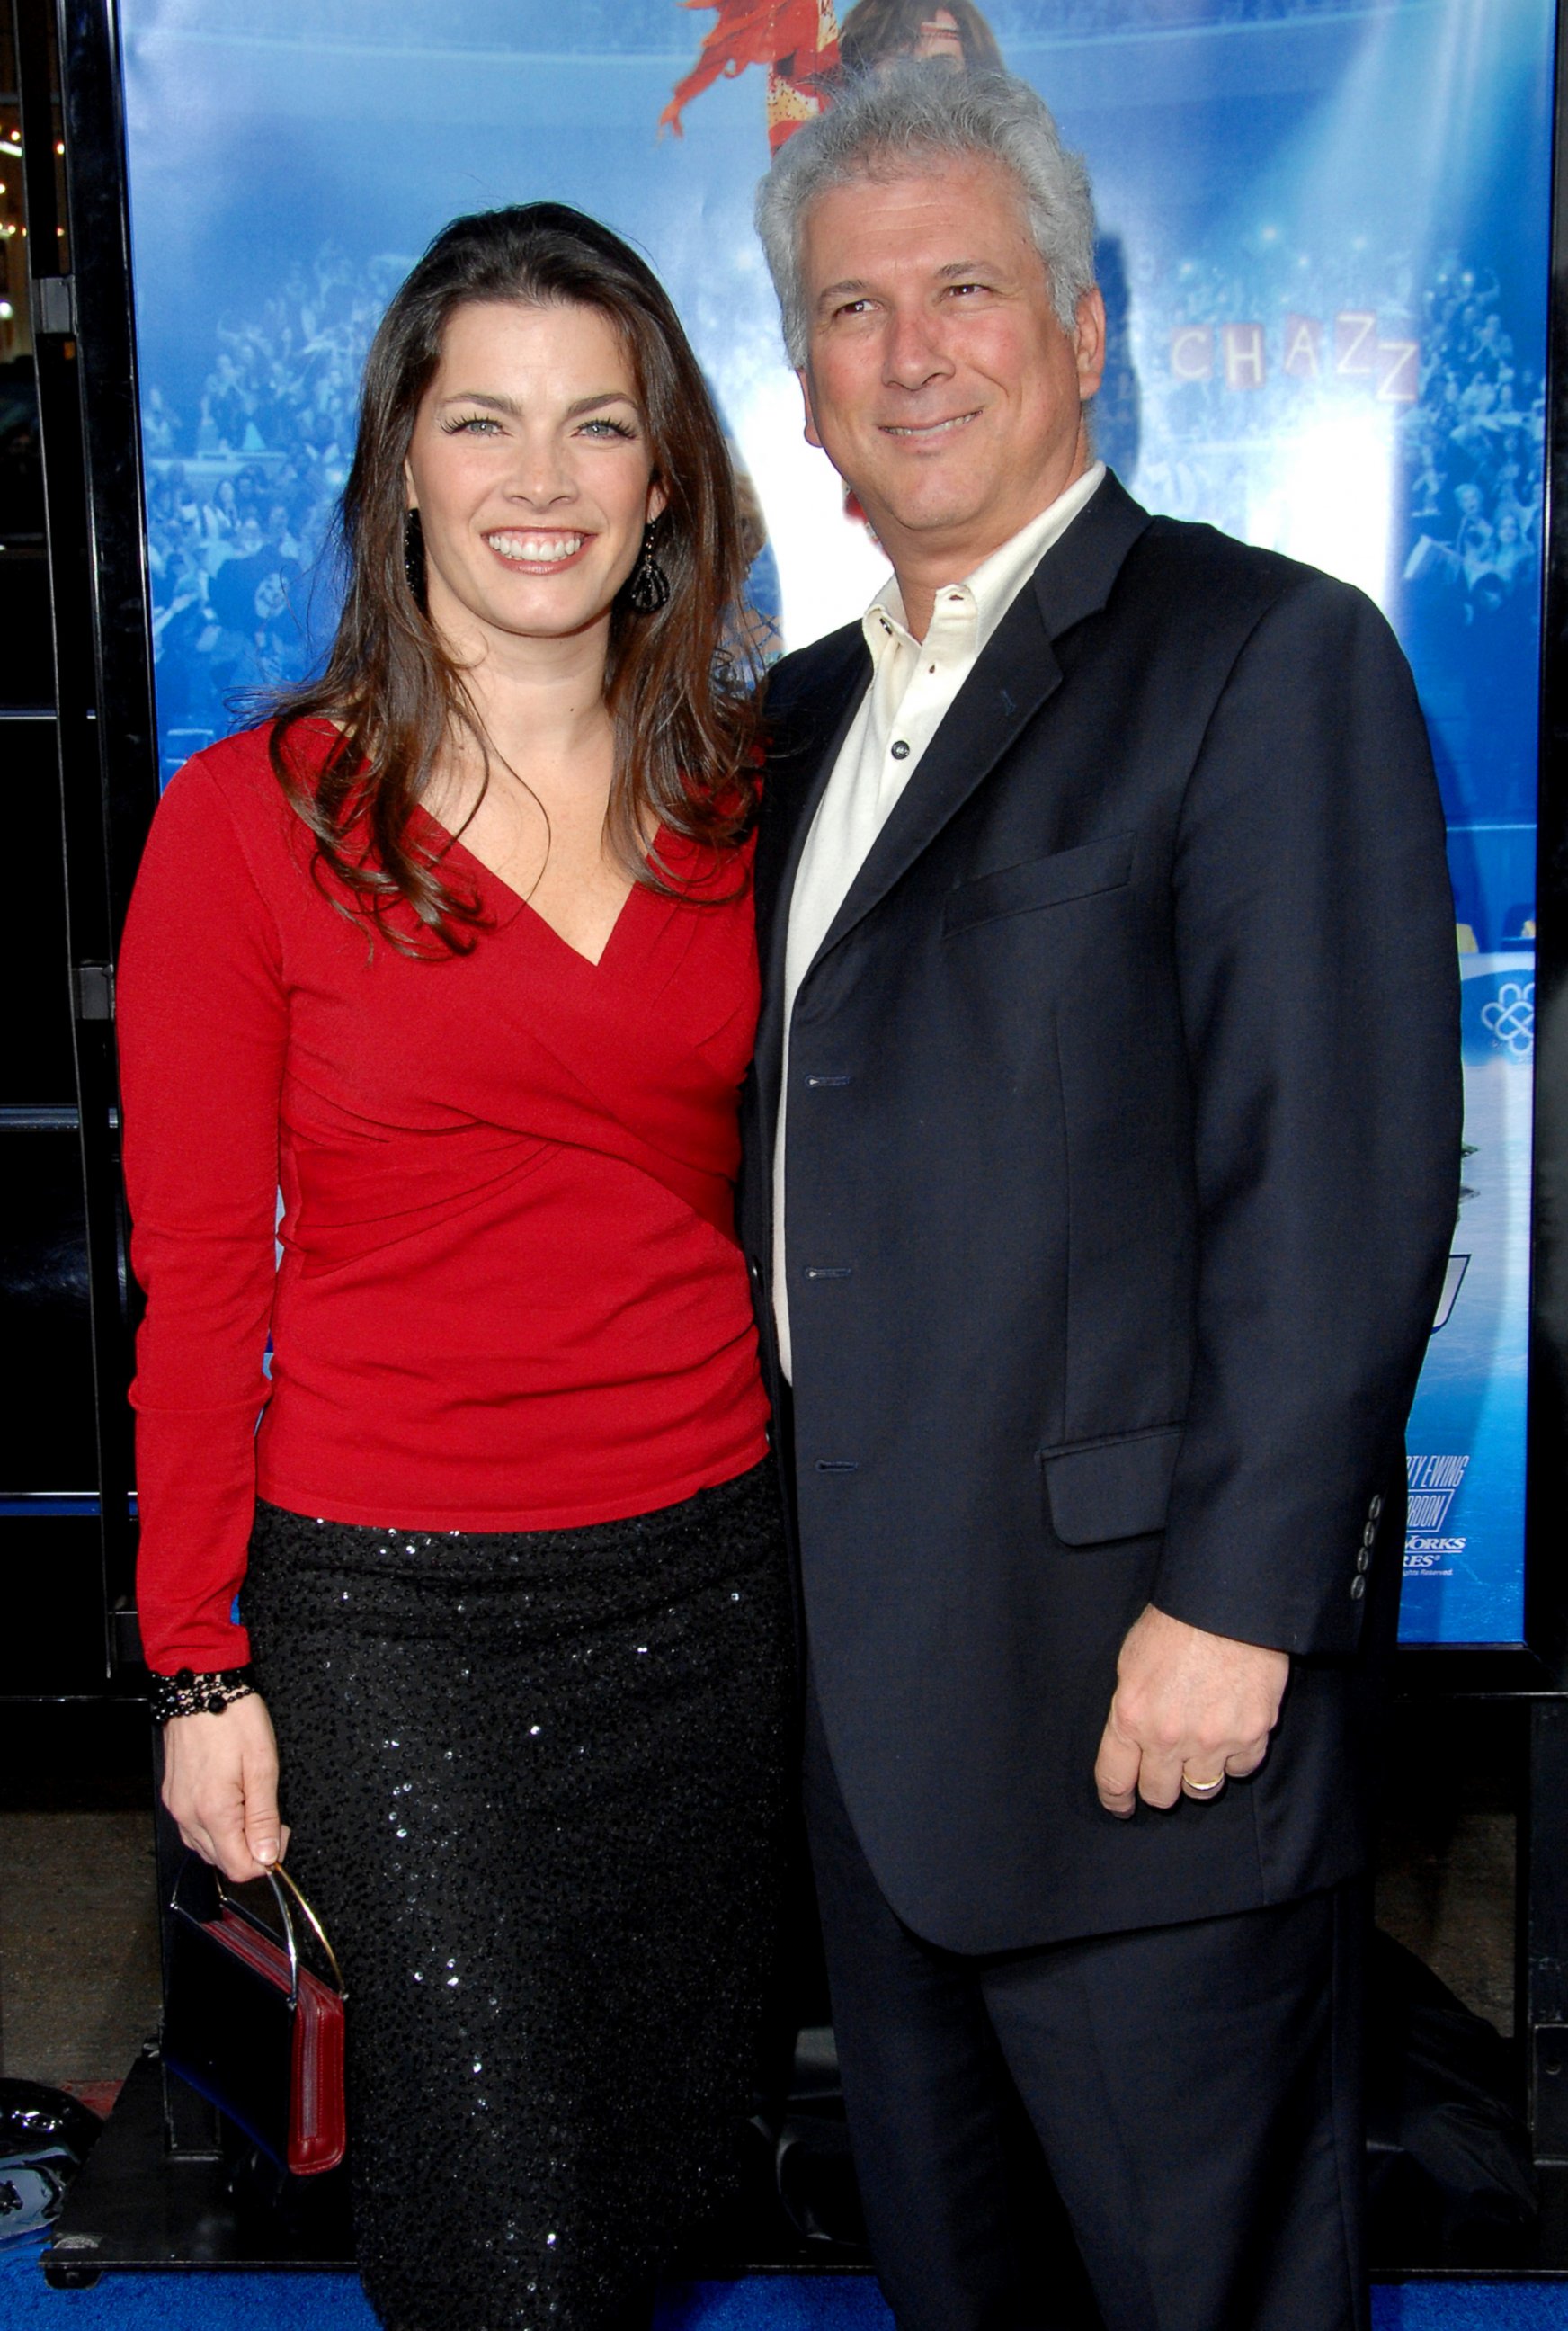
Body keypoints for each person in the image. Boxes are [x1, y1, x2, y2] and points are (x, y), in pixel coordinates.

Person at [747, 67, 1460, 2331]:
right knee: (963, 2296)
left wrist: (1237, 1611)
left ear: (1079, 326)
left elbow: (1332, 1187)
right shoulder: (779, 727)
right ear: (804, 388)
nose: (909, 349)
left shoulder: (1263, 657)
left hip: (1141, 1699)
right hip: (870, 1711)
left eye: (963, 288)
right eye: (853, 310)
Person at [117, 202, 796, 2331]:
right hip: (391, 1618)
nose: (536, 481)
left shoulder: (753, 801)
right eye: (478, 420)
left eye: (596, 428)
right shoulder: (248, 823)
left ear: (664, 473)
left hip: (709, 1586)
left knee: (665, 2185)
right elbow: (202, 1276)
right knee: (494, 2230)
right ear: (396, 461)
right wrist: (198, 1663)